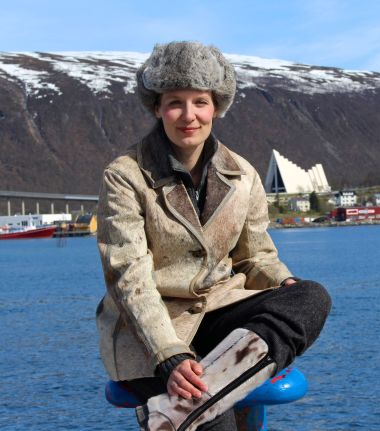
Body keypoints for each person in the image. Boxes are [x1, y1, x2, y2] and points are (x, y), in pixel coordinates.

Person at [95, 41, 331, 430]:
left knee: (311, 296)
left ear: (216, 107)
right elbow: (129, 276)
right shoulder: (125, 175)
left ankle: (191, 404)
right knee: (215, 422)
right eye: (175, 102)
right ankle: (204, 401)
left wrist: (284, 283)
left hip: (219, 316)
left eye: (200, 102)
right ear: (157, 107)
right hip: (150, 332)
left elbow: (256, 258)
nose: (189, 115)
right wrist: (169, 355)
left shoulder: (242, 174)